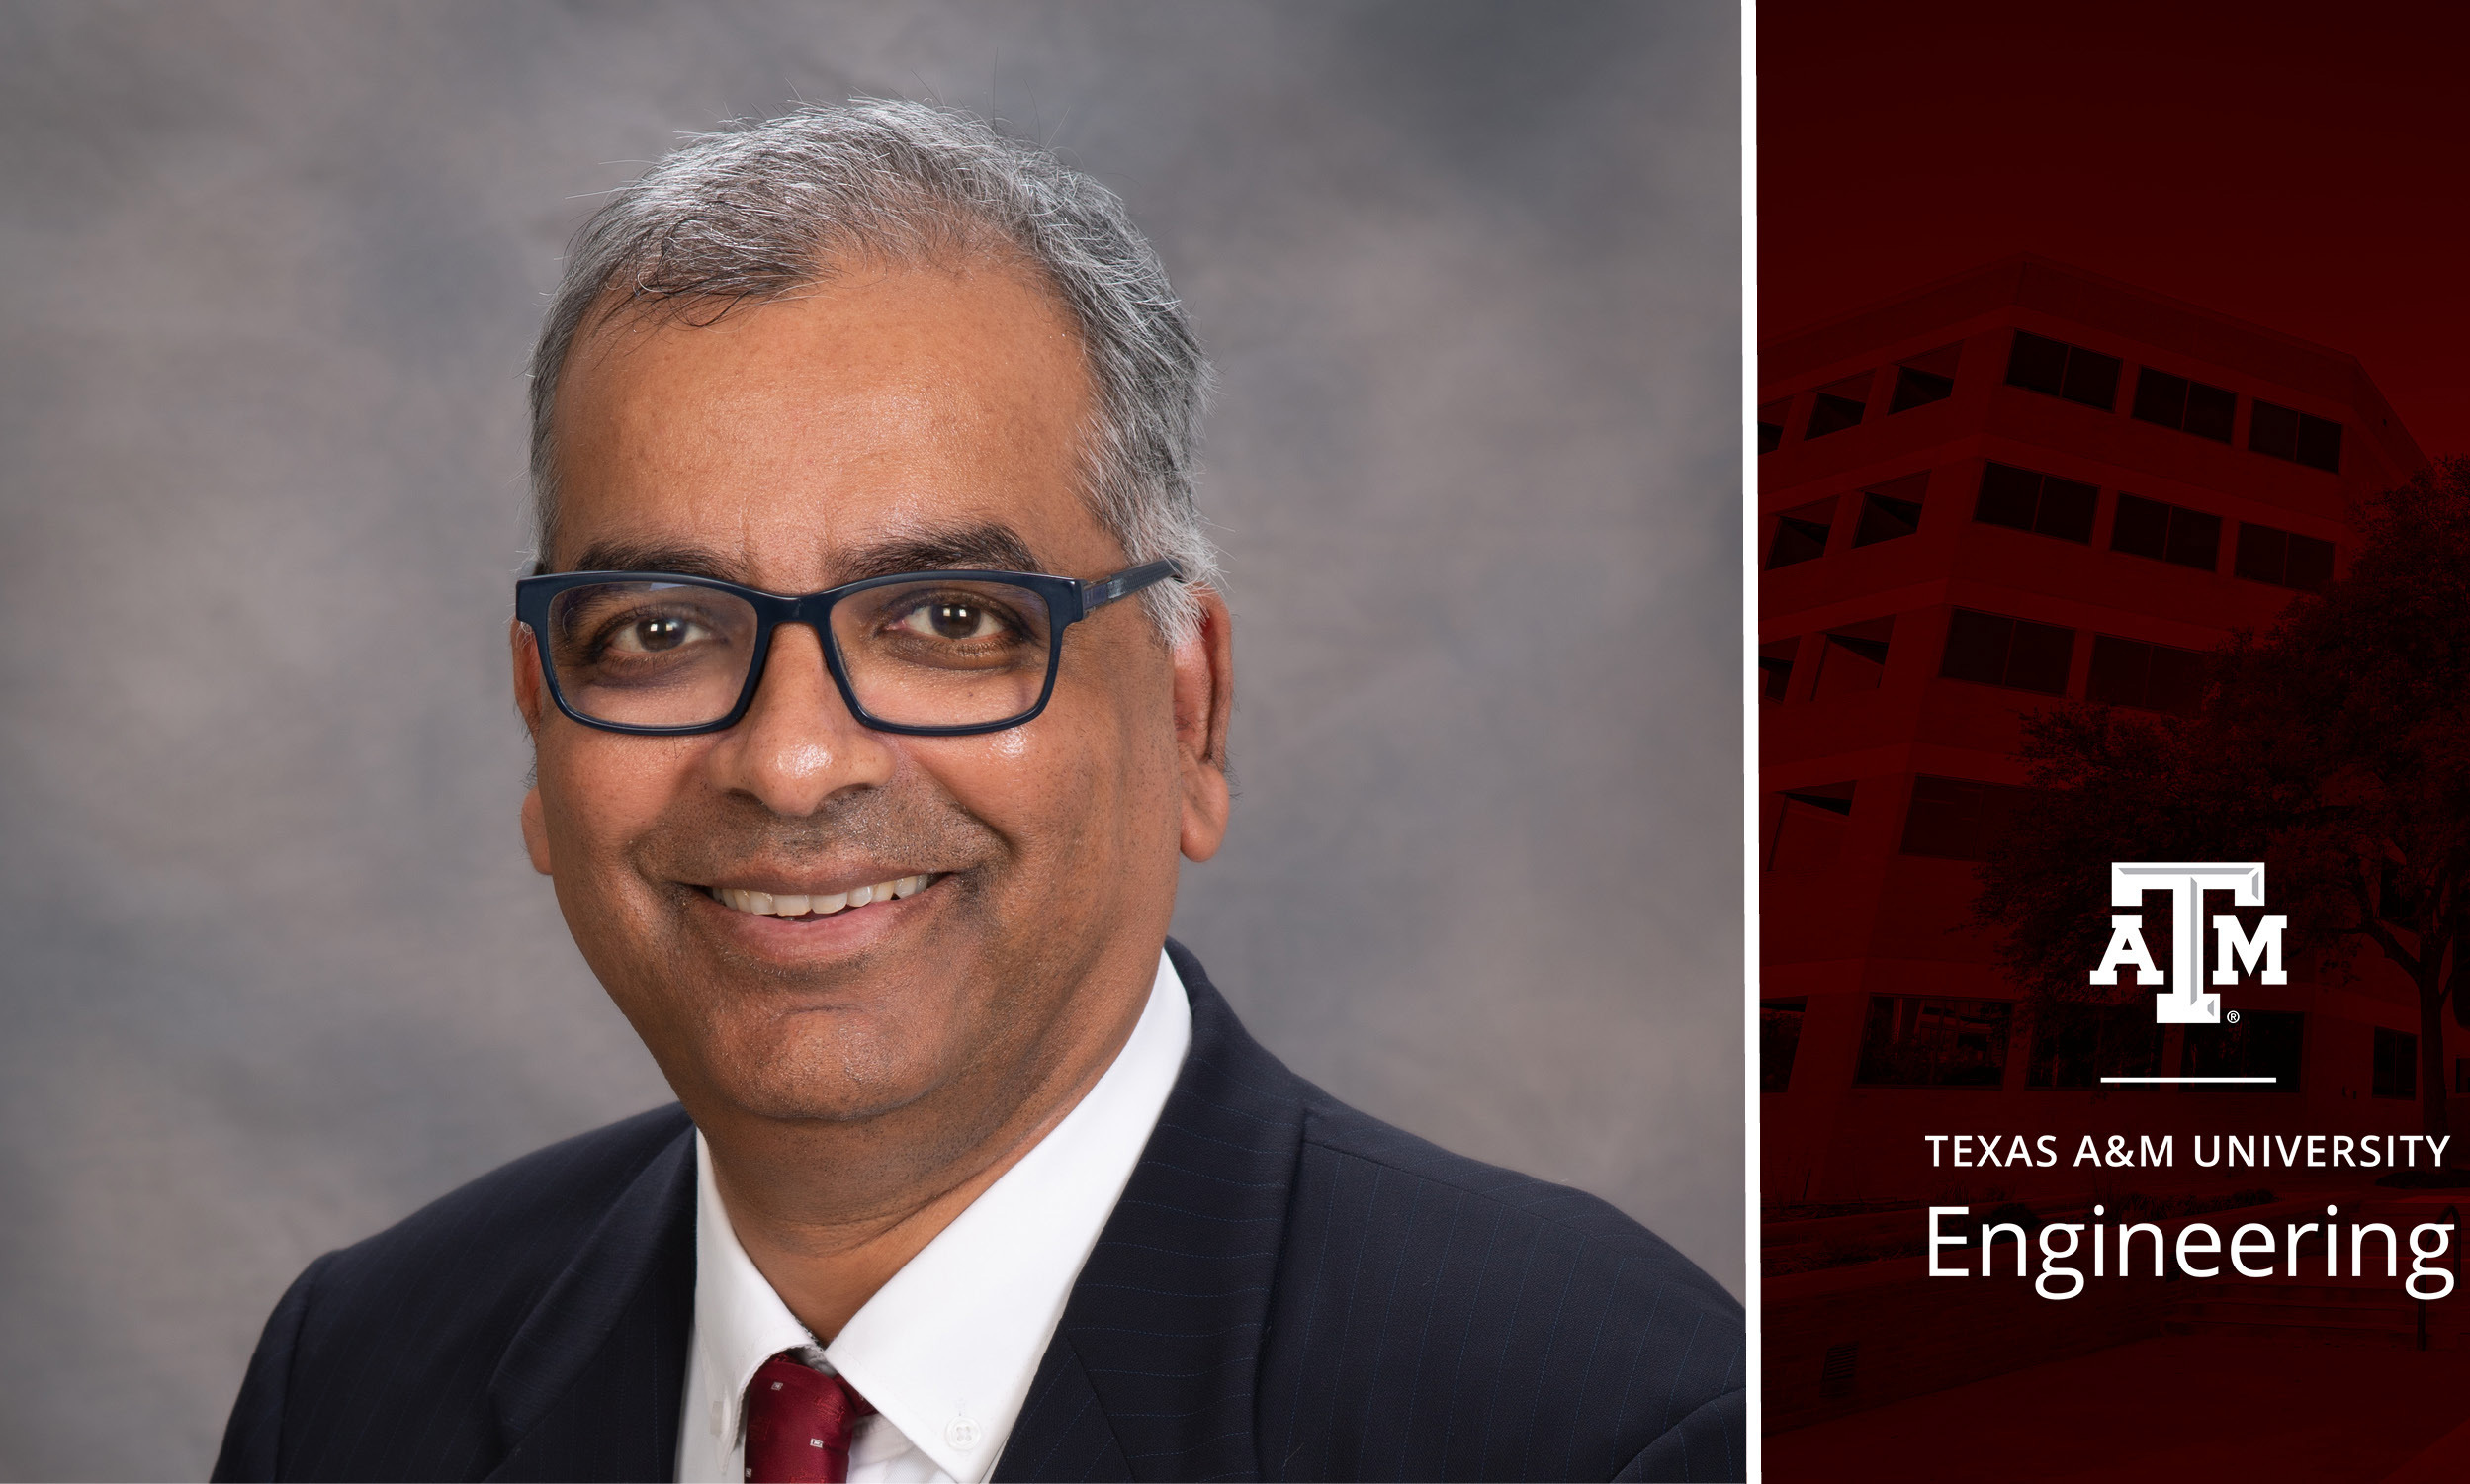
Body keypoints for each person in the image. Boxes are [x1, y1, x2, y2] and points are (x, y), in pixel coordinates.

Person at [212, 99, 1743, 1484]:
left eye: (950, 620)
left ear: (1188, 712)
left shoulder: (1602, 1426)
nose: (794, 763)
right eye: (664, 630)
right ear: (543, 733)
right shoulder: (355, 1382)